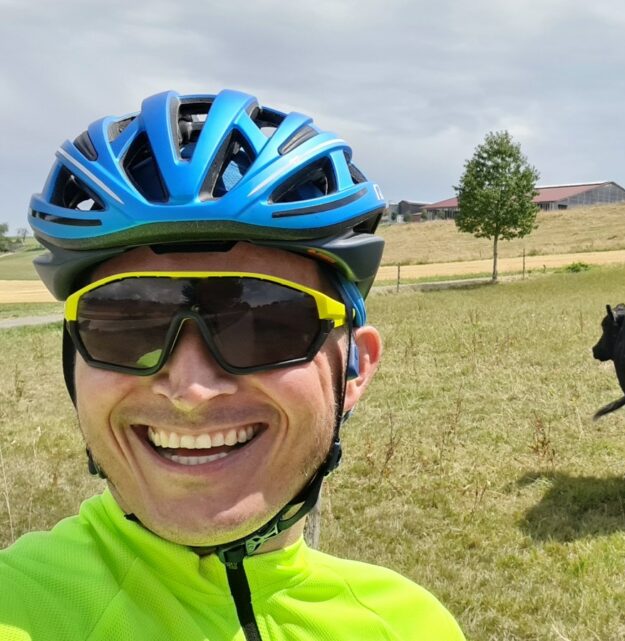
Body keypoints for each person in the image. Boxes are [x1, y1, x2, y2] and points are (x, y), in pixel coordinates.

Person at [0, 90, 466, 641]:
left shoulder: (410, 626)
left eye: (267, 322)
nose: (191, 389)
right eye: (126, 325)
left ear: (356, 368)